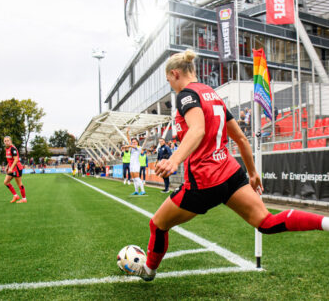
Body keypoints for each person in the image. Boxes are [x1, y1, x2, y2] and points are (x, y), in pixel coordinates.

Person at [120, 49, 329, 281]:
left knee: (157, 225)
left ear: (176, 73)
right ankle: (326, 222)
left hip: (204, 181)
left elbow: (198, 129)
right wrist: (252, 173)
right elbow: (240, 138)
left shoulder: (186, 95)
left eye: (168, 78)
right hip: (231, 174)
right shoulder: (212, 94)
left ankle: (148, 271)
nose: (169, 83)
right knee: (266, 222)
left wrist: (174, 160)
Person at [123, 128, 148, 195]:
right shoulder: (132, 146)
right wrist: (127, 132)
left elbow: (131, 145)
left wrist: (128, 145)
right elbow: (128, 139)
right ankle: (136, 191)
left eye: (134, 142)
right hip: (131, 164)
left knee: (137, 177)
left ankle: (143, 190)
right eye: (133, 142)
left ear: (137, 142)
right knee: (133, 178)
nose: (133, 143)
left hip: (136, 164)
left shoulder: (139, 147)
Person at [3, 136, 27, 203]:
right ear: (4, 142)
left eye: (8, 140)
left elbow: (16, 160)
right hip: (11, 168)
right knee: (6, 182)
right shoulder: (7, 149)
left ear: (10, 141)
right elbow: (10, 160)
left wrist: (11, 168)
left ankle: (24, 199)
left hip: (16, 168)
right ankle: (16, 196)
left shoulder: (13, 149)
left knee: (19, 184)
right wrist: (7, 166)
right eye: (5, 141)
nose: (7, 142)